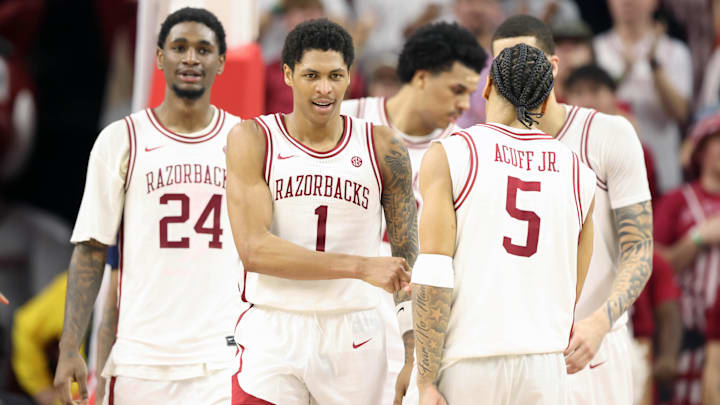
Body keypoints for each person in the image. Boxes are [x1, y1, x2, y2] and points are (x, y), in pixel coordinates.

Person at [53, 7, 243, 404]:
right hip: (140, 360)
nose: (191, 58)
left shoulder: (246, 140)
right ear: (159, 57)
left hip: (221, 357)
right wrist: (70, 346)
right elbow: (91, 250)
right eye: (179, 47)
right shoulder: (119, 139)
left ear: (221, 62)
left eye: (203, 49)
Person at [226, 18, 418, 405]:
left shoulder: (384, 147)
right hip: (275, 325)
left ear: (350, 77)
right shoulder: (253, 139)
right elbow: (255, 250)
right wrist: (360, 266)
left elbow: (406, 263)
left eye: (335, 75)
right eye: (311, 75)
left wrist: (414, 352)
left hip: (355, 331)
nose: (324, 88)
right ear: (287, 74)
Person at [411, 42, 596, 405]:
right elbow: (573, 286)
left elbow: (433, 275)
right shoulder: (579, 173)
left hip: (471, 360)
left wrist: (426, 379)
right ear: (546, 102)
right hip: (544, 366)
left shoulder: (452, 153)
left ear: (487, 88)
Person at [491, 15, 653, 405]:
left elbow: (640, 247)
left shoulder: (609, 134)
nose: (514, 72)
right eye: (502, 64)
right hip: (516, 347)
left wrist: (601, 321)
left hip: (591, 343)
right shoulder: (480, 147)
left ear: (554, 65)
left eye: (525, 58)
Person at [341, 20, 486, 404]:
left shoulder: (466, 150)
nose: (463, 105)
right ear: (421, 77)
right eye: (457, 90)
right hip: (342, 310)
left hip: (417, 323)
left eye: (470, 94)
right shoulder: (345, 120)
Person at [594, 0, 693, 193]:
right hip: (606, 172)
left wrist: (654, 65)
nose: (627, 2)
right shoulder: (596, 48)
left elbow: (681, 113)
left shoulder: (674, 51)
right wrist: (623, 73)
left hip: (662, 170)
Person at [655, 111, 720, 405]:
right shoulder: (677, 200)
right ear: (701, 149)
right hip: (688, 344)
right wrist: (698, 238)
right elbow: (652, 266)